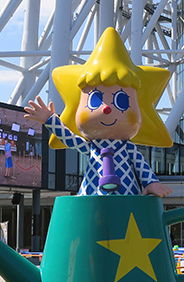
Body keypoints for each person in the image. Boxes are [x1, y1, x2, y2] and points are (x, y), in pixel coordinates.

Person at [24, 28, 173, 197]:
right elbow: (70, 139)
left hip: (128, 197)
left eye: (121, 101)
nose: (106, 108)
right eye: (95, 100)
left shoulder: (128, 148)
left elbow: (141, 166)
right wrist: (50, 120)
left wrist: (151, 183)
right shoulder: (92, 147)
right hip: (91, 196)